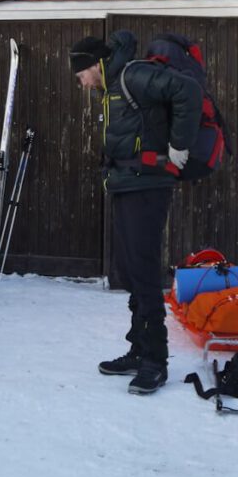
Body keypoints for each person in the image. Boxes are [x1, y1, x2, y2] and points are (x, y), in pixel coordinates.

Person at [70, 31, 201, 395]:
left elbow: (187, 91)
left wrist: (179, 145)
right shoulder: (113, 86)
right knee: (129, 269)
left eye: (81, 74)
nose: (81, 83)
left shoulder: (132, 75)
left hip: (148, 184)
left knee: (142, 270)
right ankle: (139, 348)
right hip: (127, 183)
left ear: (94, 65)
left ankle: (155, 361)